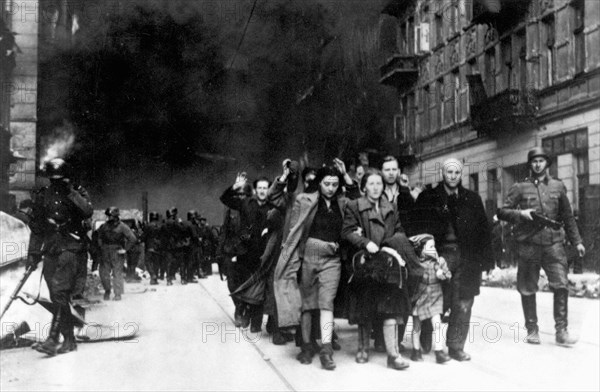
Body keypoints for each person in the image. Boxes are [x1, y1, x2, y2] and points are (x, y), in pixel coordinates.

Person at [274, 159, 358, 371]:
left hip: (333, 258)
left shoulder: (343, 202)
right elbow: (293, 230)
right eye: (327, 183)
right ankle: (306, 347)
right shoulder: (304, 200)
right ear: (319, 183)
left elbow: (360, 201)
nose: (331, 188)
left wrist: (346, 175)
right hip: (307, 257)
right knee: (307, 305)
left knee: (326, 303)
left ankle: (326, 350)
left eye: (335, 184)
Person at [498, 147, 585, 346]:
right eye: (534, 161)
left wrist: (577, 241)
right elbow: (502, 211)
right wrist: (520, 214)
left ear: (547, 163)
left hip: (554, 244)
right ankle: (532, 329)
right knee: (528, 288)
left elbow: (568, 217)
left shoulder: (558, 186)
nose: (537, 164)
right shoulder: (520, 187)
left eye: (541, 161)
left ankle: (561, 331)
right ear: (530, 164)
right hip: (529, 244)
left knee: (561, 285)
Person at [411, 158, 493, 361]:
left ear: (461, 174)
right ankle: (427, 337)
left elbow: (484, 230)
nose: (453, 176)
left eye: (457, 173)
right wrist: (421, 257)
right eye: (449, 172)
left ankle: (455, 347)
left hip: (467, 257)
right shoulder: (427, 197)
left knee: (463, 301)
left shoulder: (472, 199)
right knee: (435, 298)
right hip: (437, 256)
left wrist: (487, 261)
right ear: (442, 173)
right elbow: (416, 228)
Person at [342, 169, 419, 370]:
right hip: (366, 262)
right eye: (371, 183)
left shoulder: (391, 207)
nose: (376, 187)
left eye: (379, 183)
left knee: (391, 308)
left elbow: (400, 230)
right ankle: (363, 349)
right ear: (364, 186)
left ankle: (393, 355)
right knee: (365, 308)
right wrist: (365, 242)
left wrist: (391, 244)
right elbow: (347, 231)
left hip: (388, 261)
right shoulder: (354, 206)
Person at [26, 158, 93, 356]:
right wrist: (33, 253)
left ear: (67, 177)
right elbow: (37, 228)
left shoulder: (77, 193)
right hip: (51, 249)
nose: (56, 182)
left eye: (60, 179)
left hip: (71, 247)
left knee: (60, 291)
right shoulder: (42, 196)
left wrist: (71, 192)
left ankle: (52, 338)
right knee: (56, 296)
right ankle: (69, 339)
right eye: (53, 179)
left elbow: (87, 211)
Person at [220, 174, 272, 332]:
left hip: (264, 252)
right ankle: (244, 312)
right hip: (245, 252)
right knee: (245, 286)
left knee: (261, 288)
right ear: (255, 190)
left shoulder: (272, 206)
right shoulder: (246, 203)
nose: (263, 191)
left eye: (265, 188)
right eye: (260, 188)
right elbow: (225, 199)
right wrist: (235, 186)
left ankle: (256, 323)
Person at [408, 234, 451, 364]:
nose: (434, 249)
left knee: (437, 323)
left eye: (434, 246)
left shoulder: (440, 261)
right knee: (416, 325)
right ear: (421, 249)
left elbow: (448, 275)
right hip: (420, 295)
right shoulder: (416, 262)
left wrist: (442, 274)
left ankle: (439, 352)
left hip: (435, 294)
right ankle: (416, 350)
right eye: (430, 246)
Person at [97, 207, 137, 301]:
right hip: (105, 252)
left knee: (117, 273)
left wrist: (125, 249)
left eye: (110, 216)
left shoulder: (123, 226)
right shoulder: (104, 226)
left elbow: (132, 238)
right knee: (104, 273)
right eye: (108, 216)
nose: (109, 218)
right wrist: (101, 247)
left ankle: (117, 294)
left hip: (117, 251)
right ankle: (107, 290)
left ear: (116, 216)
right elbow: (99, 237)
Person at [141, 211, 163, 285]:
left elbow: (144, 237)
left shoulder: (147, 226)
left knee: (147, 262)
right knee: (156, 263)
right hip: (158, 247)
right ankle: (154, 279)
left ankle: (152, 275)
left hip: (149, 247)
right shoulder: (160, 226)